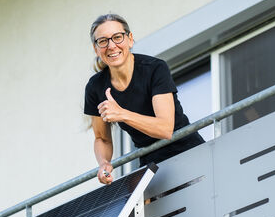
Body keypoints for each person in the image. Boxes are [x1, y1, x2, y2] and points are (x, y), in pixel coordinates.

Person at [84, 14, 204, 184]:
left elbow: (165, 129)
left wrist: (122, 114)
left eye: (117, 37)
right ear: (96, 49)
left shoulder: (155, 69)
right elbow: (101, 138)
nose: (111, 46)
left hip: (188, 153)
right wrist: (104, 163)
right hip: (151, 163)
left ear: (130, 39)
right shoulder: (95, 87)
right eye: (103, 41)